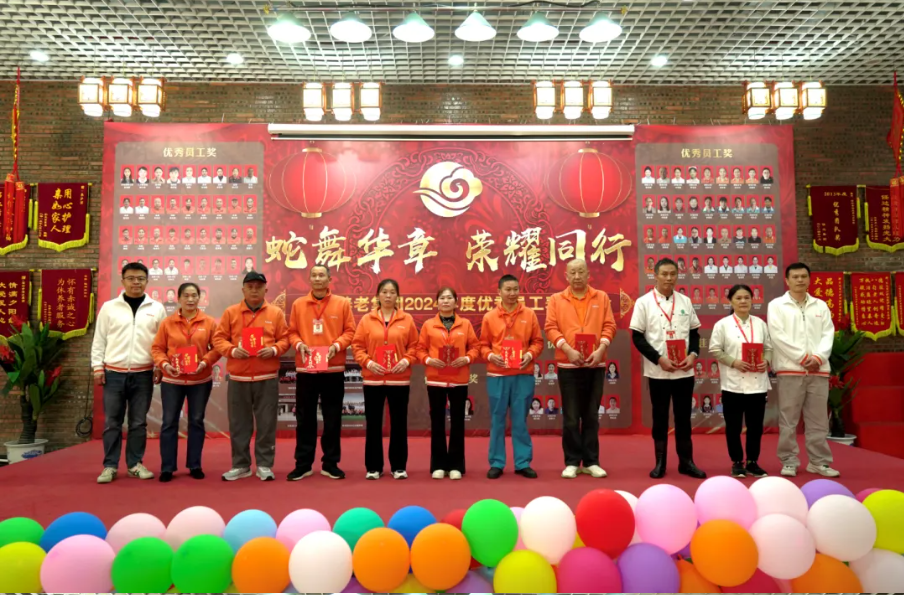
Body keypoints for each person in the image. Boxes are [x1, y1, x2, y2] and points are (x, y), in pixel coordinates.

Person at [630, 258, 707, 479]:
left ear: (677, 276)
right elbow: (637, 337)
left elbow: (694, 333)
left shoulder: (685, 301)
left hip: (684, 369)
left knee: (683, 418)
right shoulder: (643, 303)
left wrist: (693, 355)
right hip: (658, 371)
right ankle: (660, 463)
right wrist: (658, 359)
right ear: (655, 275)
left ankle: (686, 462)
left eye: (673, 274)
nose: (669, 278)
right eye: (664, 274)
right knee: (660, 417)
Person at [92, 262, 167, 484]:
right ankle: (110, 466)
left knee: (138, 423)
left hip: (143, 374)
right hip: (113, 374)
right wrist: (97, 367)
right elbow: (99, 339)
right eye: (131, 278)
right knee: (112, 423)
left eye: (140, 278)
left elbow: (162, 343)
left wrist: (159, 366)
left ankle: (135, 464)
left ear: (147, 281)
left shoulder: (157, 308)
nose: (136, 282)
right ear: (123, 280)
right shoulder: (109, 307)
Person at [212, 271, 290, 481]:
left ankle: (264, 465)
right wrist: (232, 350)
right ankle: (241, 465)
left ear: (266, 289)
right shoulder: (231, 312)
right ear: (243, 290)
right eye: (250, 286)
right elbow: (218, 339)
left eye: (259, 287)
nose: (254, 290)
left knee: (266, 424)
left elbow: (285, 339)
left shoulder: (275, 313)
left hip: (267, 378)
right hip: (239, 378)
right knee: (239, 425)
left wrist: (273, 350)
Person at [545, 259, 617, 479]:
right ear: (566, 276)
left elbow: (609, 325)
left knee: (591, 415)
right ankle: (572, 461)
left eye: (581, 272)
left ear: (588, 275)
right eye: (573, 273)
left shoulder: (601, 297)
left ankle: (592, 461)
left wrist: (601, 349)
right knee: (571, 417)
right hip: (569, 364)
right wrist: (568, 350)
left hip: (595, 363)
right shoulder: (556, 299)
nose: (577, 276)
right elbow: (550, 328)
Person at [767, 263, 838, 478]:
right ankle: (789, 461)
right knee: (788, 420)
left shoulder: (820, 306)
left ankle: (819, 462)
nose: (800, 280)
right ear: (787, 280)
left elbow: (828, 334)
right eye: (795, 277)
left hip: (818, 370)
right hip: (790, 370)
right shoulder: (777, 305)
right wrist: (803, 358)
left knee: (818, 420)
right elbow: (777, 336)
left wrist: (818, 357)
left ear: (809, 279)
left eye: (804, 276)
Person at [287, 265, 356, 481]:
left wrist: (337, 346)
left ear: (329, 279)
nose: (318, 279)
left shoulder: (342, 303)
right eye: (314, 275)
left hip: (333, 369)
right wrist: (299, 345)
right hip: (306, 369)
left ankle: (330, 463)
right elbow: (292, 332)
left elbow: (350, 331)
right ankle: (303, 464)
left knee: (332, 418)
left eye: (321, 275)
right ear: (309, 279)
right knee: (304, 419)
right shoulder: (298, 304)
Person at [151, 282, 221, 482]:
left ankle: (195, 465)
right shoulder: (168, 323)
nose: (190, 299)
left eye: (194, 295)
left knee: (196, 421)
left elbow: (217, 347)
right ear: (179, 298)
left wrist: (205, 362)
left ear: (200, 298)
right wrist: (165, 365)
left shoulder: (209, 322)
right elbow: (157, 348)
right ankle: (167, 467)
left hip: (200, 380)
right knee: (169, 422)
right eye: (186, 296)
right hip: (172, 380)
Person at [352, 279, 419, 480]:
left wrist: (406, 361)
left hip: (399, 379)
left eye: (392, 292)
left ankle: (398, 466)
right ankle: (374, 467)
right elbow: (357, 347)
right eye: (384, 292)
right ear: (377, 296)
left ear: (397, 296)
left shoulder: (407, 319)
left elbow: (415, 346)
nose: (388, 296)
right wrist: (368, 362)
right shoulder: (367, 320)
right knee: (373, 423)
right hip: (373, 379)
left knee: (399, 423)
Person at [480, 274, 544, 479]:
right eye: (508, 289)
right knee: (497, 419)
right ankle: (497, 462)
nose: (512, 293)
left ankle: (522, 462)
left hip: (522, 374)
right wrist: (491, 356)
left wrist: (529, 355)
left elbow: (538, 342)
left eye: (515, 289)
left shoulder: (529, 315)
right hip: (497, 374)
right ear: (499, 292)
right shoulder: (490, 317)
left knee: (520, 420)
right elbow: (483, 345)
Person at [710, 284, 773, 478]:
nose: (743, 301)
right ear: (730, 301)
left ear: (752, 300)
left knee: (755, 427)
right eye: (738, 298)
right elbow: (715, 349)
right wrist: (734, 362)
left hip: (757, 384)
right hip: (733, 383)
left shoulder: (760, 324)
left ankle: (753, 461)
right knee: (734, 426)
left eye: (747, 297)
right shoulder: (722, 325)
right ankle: (737, 461)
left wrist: (766, 361)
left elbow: (768, 347)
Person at [417, 287, 480, 480]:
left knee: (458, 422)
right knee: (437, 422)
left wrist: (467, 358)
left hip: (459, 379)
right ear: (437, 302)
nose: (445, 301)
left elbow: (475, 347)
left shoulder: (465, 324)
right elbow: (420, 349)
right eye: (442, 298)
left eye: (449, 298)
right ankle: (438, 465)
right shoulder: (428, 325)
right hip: (435, 379)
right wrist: (428, 360)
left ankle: (456, 466)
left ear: (456, 302)